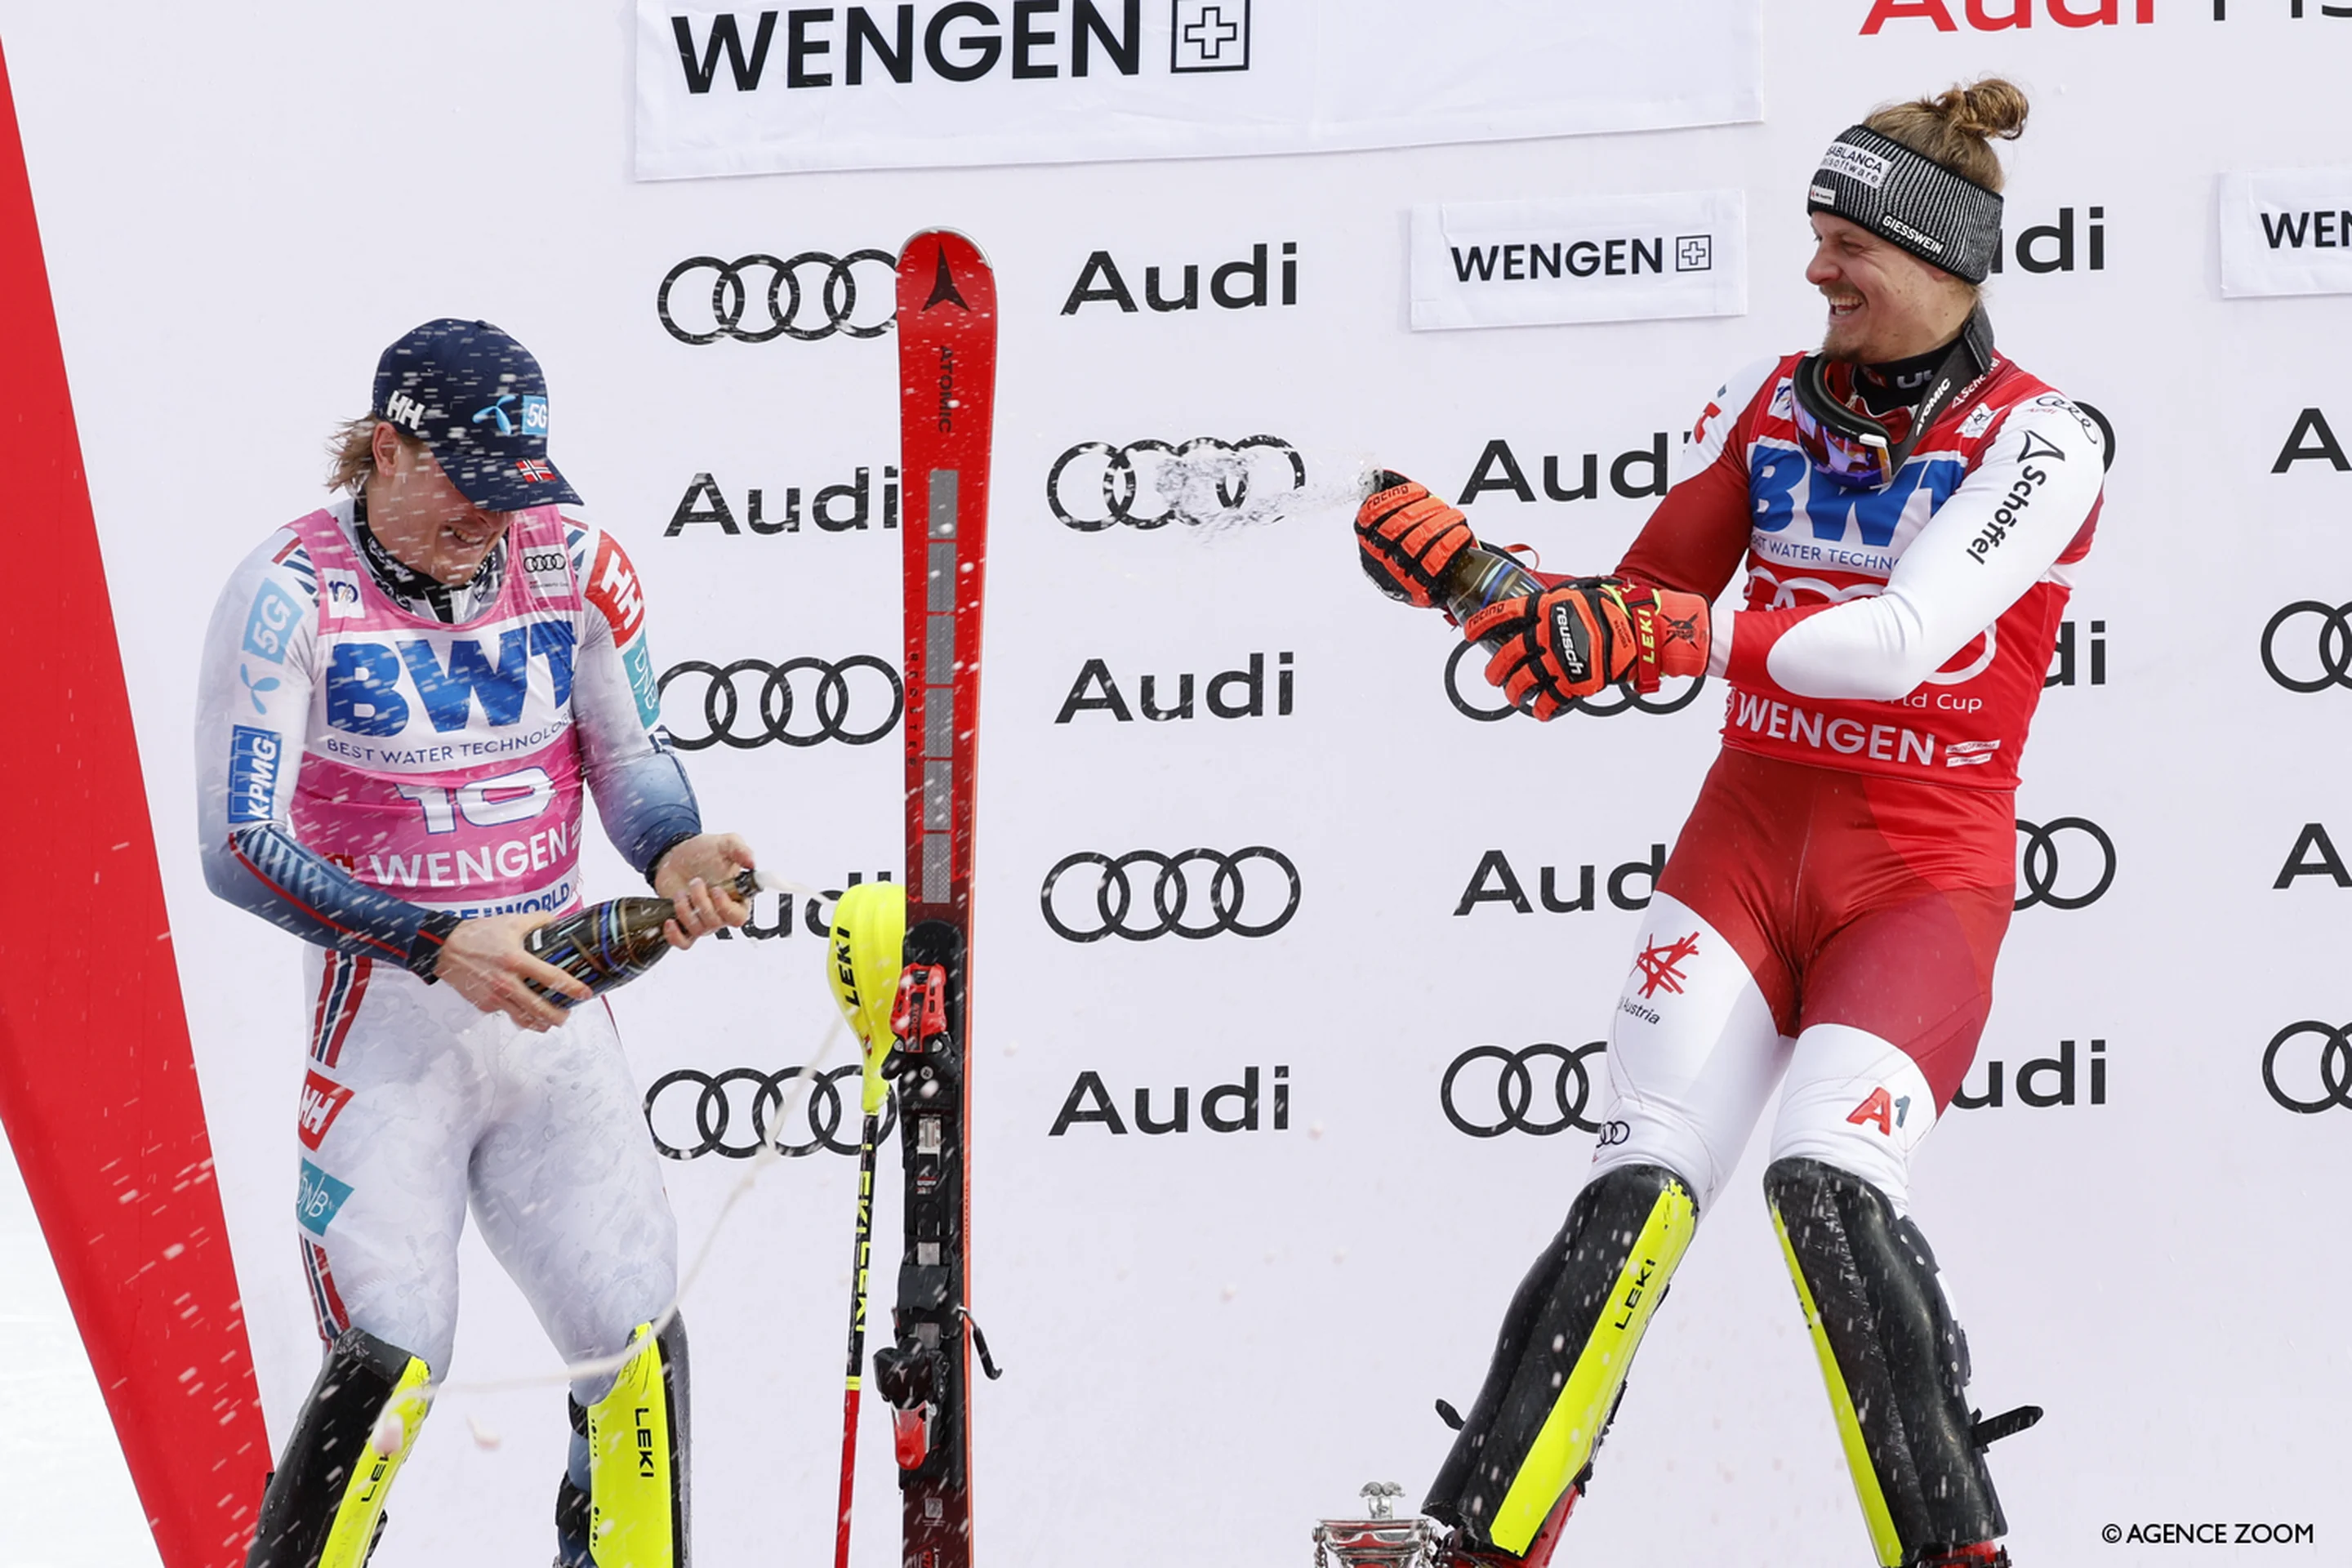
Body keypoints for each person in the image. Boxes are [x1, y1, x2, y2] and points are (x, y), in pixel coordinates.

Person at [1356, 80, 2100, 1568]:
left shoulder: (2044, 440)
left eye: (1848, 245)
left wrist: (1668, 638)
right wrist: (1496, 594)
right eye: (1815, 234)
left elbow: (1898, 642)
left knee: (1828, 1186)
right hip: (1743, 857)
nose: (1818, 268)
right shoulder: (1760, 401)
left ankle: (1958, 1549)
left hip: (1916, 878)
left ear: (1944, 263)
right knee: (1630, 1192)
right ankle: (1476, 1541)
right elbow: (1640, 605)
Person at [197, 318, 753, 1568]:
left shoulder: (574, 562)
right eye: (467, 488)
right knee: (393, 1362)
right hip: (391, 1042)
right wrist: (436, 940)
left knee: (632, 1346)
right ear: (384, 450)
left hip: (553, 1036)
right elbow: (236, 844)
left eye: (517, 493)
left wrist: (678, 853)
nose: (492, 523)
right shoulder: (288, 592)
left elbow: (628, 754)